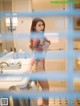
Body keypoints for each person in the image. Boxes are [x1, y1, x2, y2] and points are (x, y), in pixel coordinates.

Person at [29, 18, 50, 106]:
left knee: (45, 89)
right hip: (38, 66)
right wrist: (33, 65)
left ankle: (43, 104)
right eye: (39, 25)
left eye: (42, 25)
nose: (42, 27)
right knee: (46, 89)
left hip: (40, 65)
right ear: (34, 27)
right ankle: (44, 104)